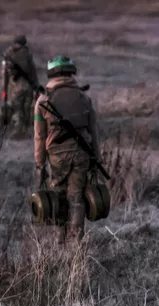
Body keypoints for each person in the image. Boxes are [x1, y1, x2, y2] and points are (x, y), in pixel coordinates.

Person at [34, 56, 99, 244]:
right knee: (76, 197)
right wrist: (97, 158)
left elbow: (39, 136)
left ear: (52, 73)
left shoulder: (43, 100)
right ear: (71, 72)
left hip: (57, 157)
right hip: (82, 155)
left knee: (58, 197)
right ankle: (76, 242)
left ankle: (59, 240)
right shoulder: (84, 98)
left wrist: (39, 164)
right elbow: (93, 131)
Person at [3, 35, 41, 139]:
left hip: (16, 87)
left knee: (17, 109)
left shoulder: (8, 54)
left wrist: (4, 91)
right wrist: (36, 87)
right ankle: (23, 131)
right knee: (26, 109)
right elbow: (33, 72)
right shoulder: (28, 54)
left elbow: (5, 74)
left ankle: (18, 131)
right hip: (28, 87)